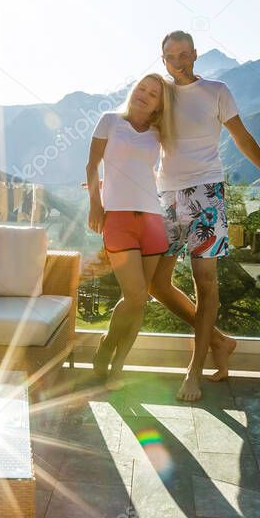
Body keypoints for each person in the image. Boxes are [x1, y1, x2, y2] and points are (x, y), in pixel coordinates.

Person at [152, 30, 260, 402]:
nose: (178, 60)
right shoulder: (160, 94)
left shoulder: (217, 90)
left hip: (206, 192)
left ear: (194, 54)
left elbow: (243, 138)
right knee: (158, 284)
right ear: (163, 61)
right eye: (170, 55)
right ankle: (220, 341)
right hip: (166, 195)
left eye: (184, 53)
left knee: (205, 283)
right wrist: (104, 177)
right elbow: (136, 135)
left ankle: (195, 370)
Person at [86, 73, 175, 389]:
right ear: (133, 90)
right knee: (135, 294)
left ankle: (119, 364)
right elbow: (92, 166)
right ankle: (108, 344)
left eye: (153, 94)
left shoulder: (159, 132)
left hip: (153, 220)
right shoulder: (110, 121)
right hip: (118, 220)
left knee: (138, 300)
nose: (145, 95)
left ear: (158, 105)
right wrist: (95, 204)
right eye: (142, 88)